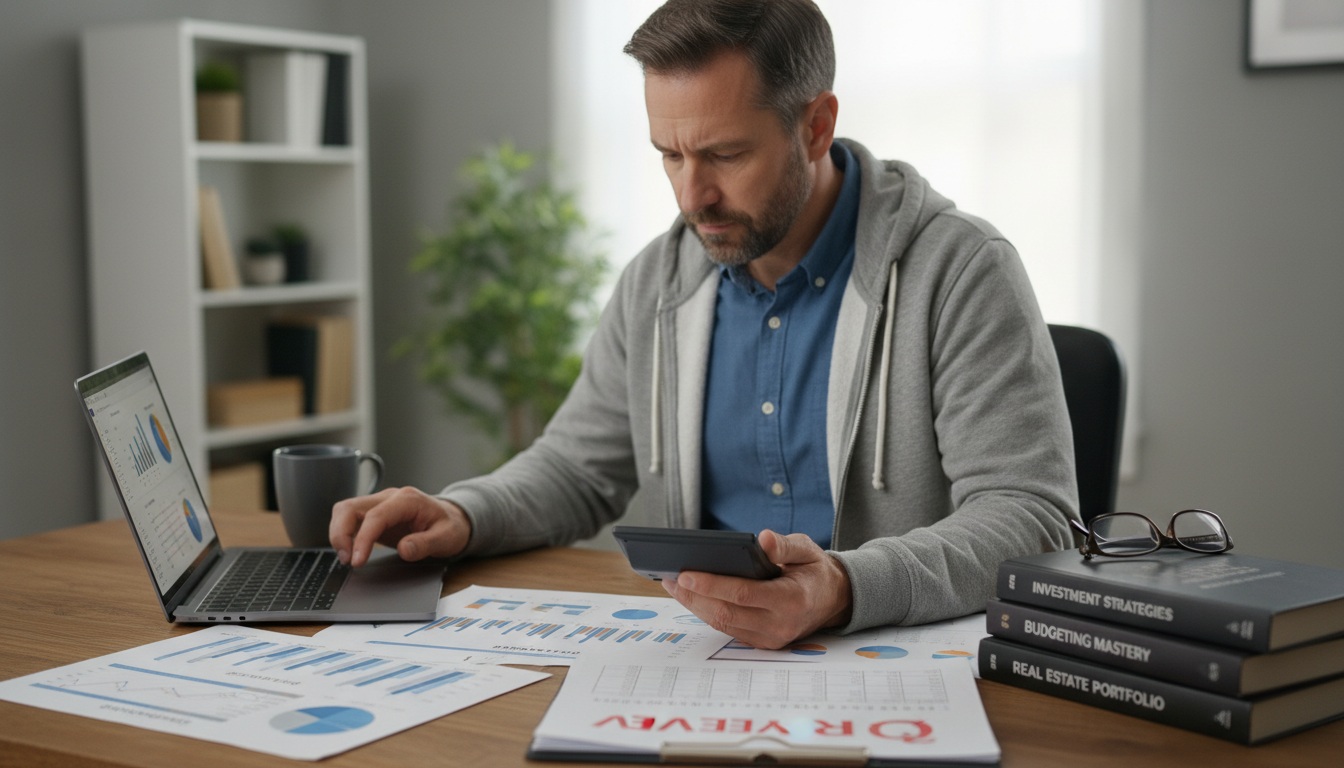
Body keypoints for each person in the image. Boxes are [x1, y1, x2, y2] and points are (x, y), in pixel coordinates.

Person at [331, 0, 1078, 650]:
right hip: (704, 656)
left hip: (900, 661)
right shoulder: (657, 281)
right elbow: (577, 468)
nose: (694, 196)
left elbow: (1032, 516)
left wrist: (844, 586)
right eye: (670, 155)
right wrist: (463, 513)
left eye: (724, 154)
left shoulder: (960, 270)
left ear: (815, 125)